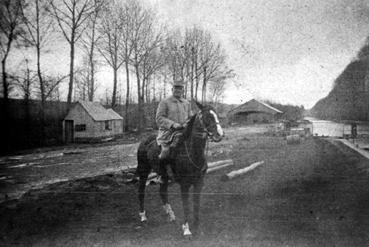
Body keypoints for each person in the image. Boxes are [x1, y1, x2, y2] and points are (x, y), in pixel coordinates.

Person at [156, 79, 192, 181]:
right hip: (168, 132)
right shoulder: (165, 102)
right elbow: (159, 118)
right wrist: (173, 124)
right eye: (176, 88)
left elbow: (190, 117)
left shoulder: (186, 103)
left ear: (183, 90)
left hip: (183, 131)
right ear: (172, 89)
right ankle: (162, 174)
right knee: (165, 151)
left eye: (180, 88)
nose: (178, 90)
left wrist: (187, 123)